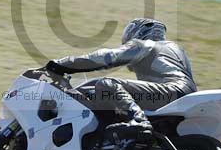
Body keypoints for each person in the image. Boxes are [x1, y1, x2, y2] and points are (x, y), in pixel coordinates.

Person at [45, 18, 197, 137]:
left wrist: (61, 64)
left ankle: (138, 120)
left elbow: (107, 57)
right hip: (183, 96)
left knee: (106, 84)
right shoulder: (174, 51)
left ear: (140, 32)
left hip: (171, 92)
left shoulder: (146, 44)